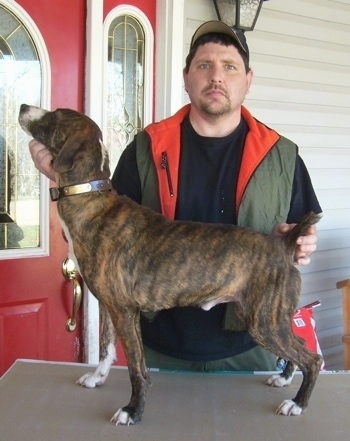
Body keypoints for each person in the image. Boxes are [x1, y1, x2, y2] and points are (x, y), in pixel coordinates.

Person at [29, 20, 322, 372]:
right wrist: (60, 176)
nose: (216, 77)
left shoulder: (282, 156)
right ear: (186, 78)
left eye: (229, 67)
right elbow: (97, 229)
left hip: (249, 348)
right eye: (204, 65)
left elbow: (301, 231)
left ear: (248, 80)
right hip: (162, 348)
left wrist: (300, 242)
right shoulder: (145, 147)